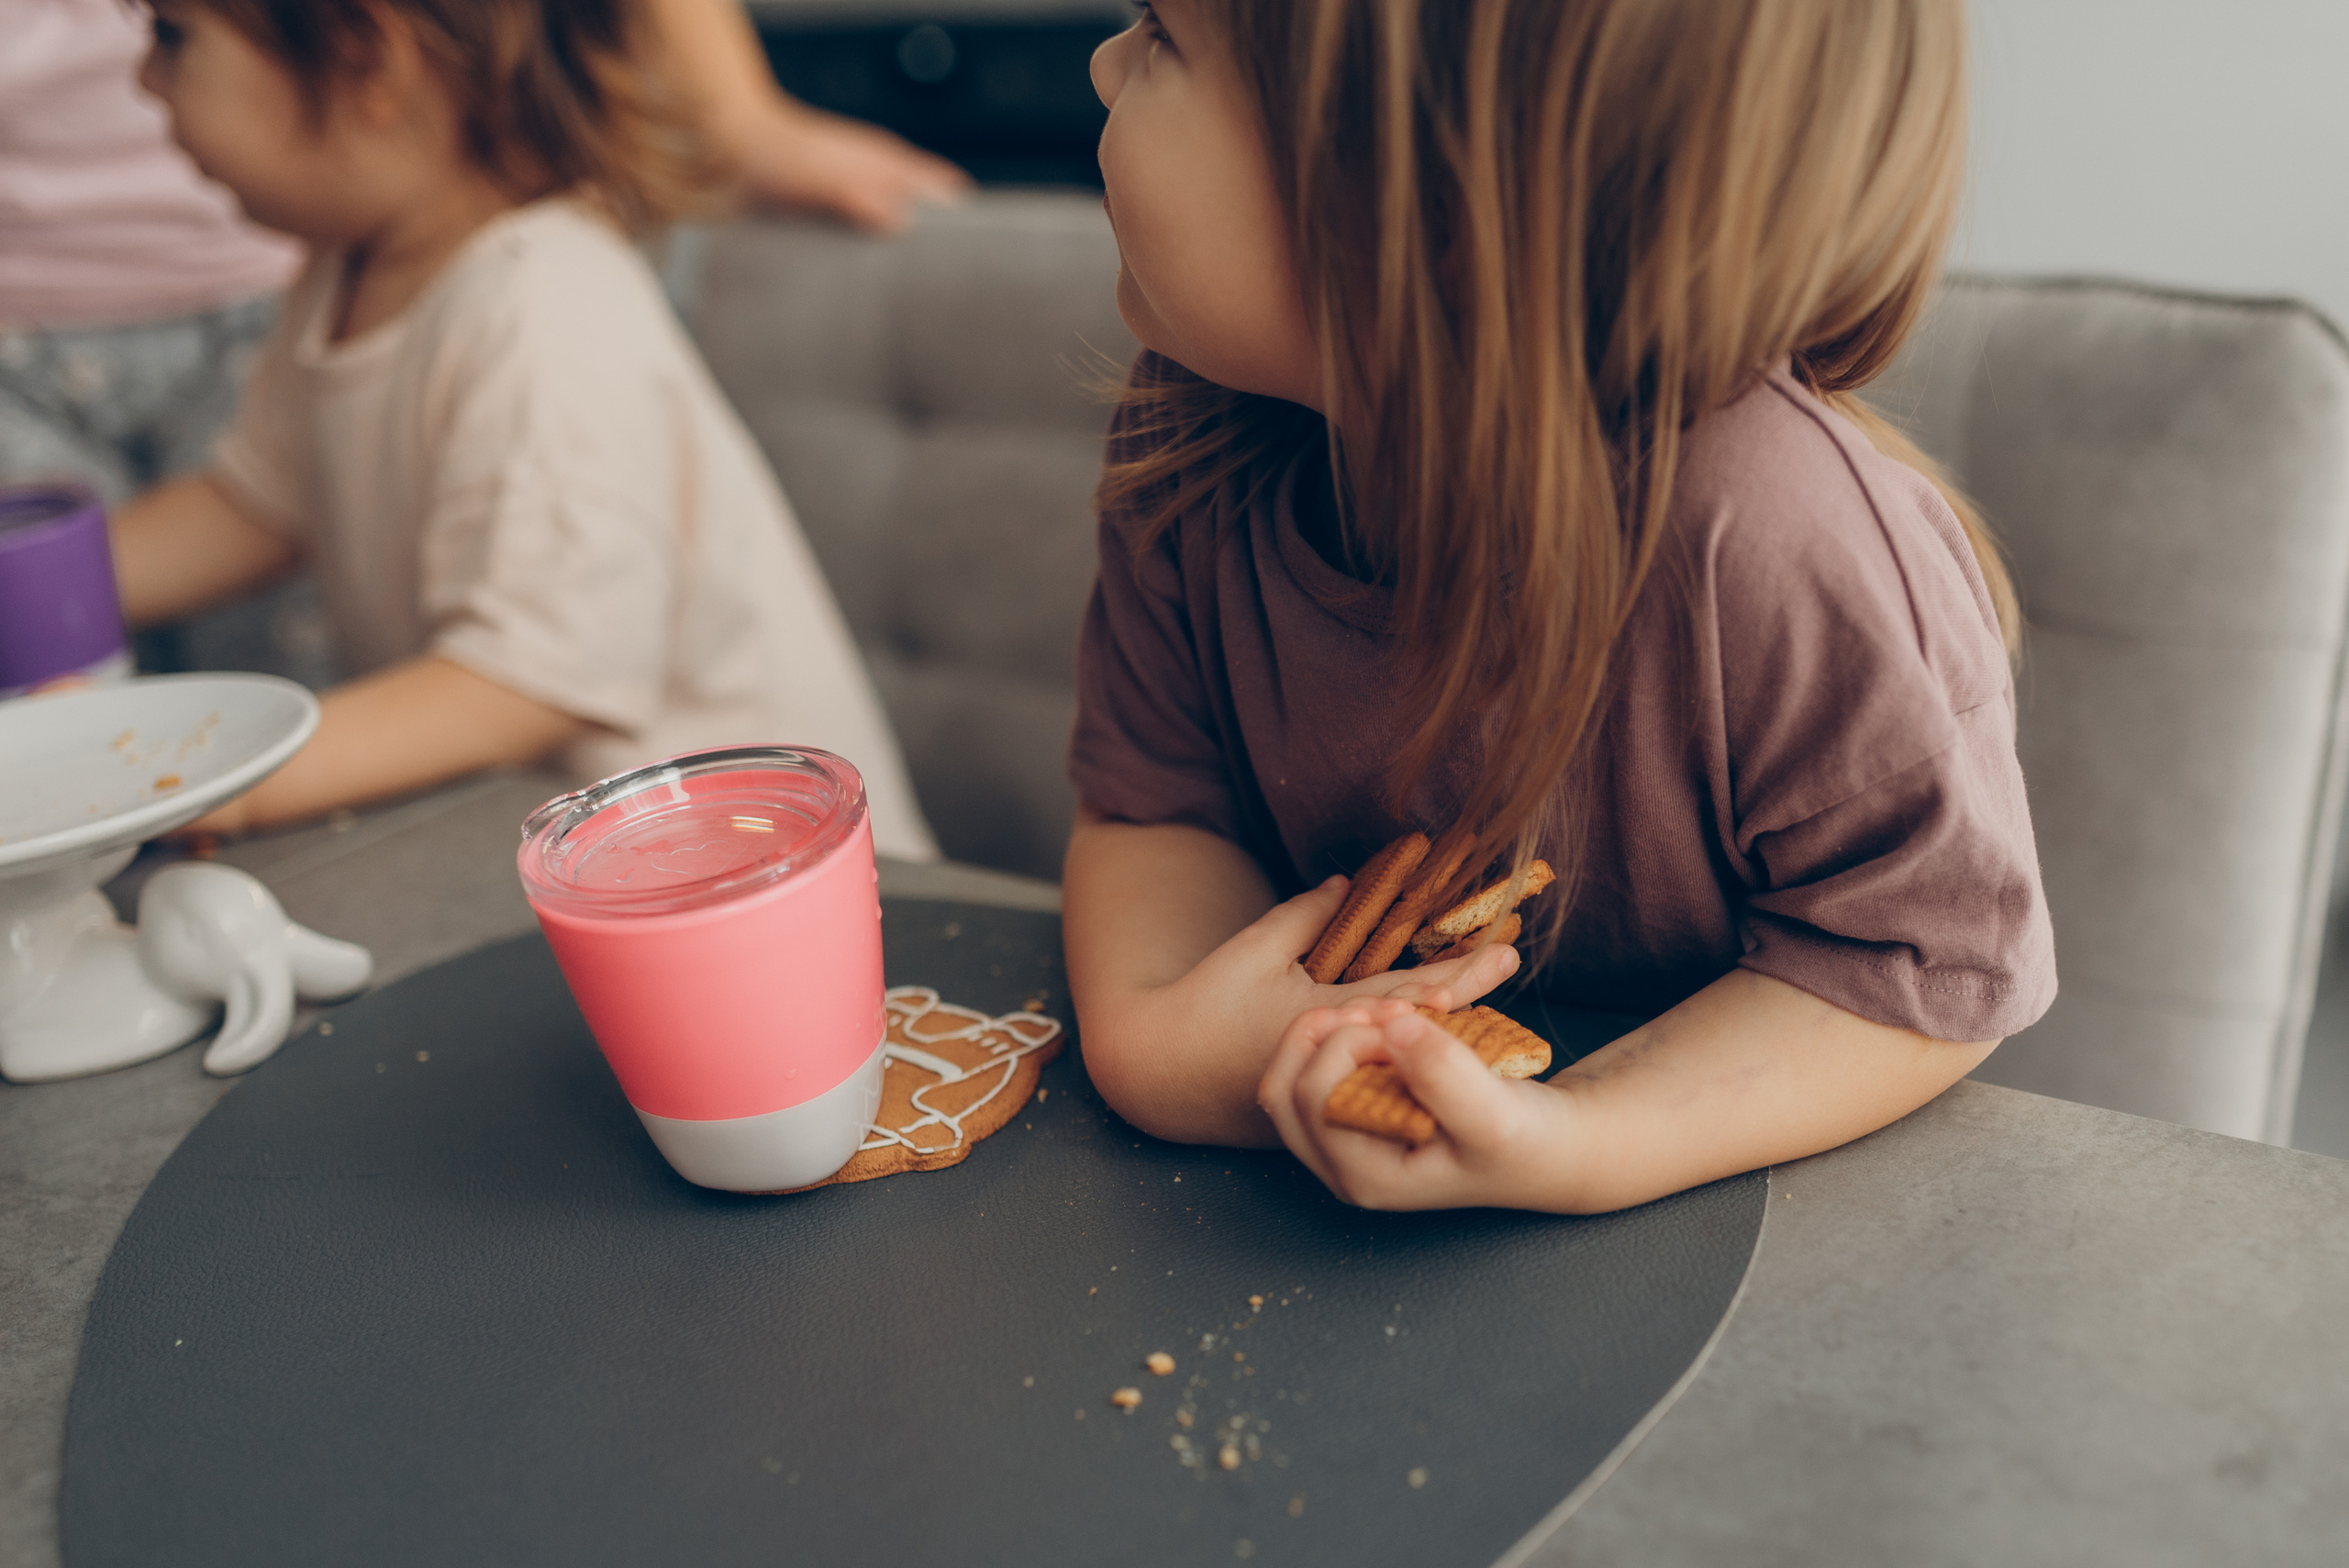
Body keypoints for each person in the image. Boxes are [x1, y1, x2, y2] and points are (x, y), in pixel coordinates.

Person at [1063, 0, 2056, 1213]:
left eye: (1162, 32)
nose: (1104, 63)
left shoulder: (1779, 543)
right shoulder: (1193, 441)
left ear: (1427, 211)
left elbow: (1927, 967)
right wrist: (1165, 1047)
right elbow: (1154, 806)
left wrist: (1582, 1143)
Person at [108, 0, 938, 859]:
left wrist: (219, 781)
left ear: (369, 60)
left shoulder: (543, 304)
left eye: (173, 36)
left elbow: (525, 682)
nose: (145, 79)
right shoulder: (346, 267)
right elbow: (256, 505)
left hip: (763, 880)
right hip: (577, 868)